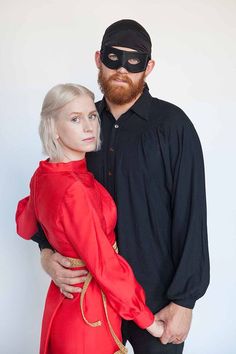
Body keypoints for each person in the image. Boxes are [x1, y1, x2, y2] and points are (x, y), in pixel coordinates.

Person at [33, 20, 210, 354]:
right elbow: (47, 194)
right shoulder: (81, 123)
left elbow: (192, 216)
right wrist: (45, 253)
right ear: (99, 59)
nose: (122, 69)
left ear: (149, 67)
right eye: (114, 58)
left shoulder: (173, 127)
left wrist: (185, 302)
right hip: (91, 301)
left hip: (158, 303)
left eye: (134, 61)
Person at [16, 83, 164, 354]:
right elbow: (105, 265)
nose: (88, 126)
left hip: (63, 303)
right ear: (54, 129)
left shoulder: (44, 174)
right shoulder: (75, 190)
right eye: (75, 119)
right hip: (89, 312)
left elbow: (25, 226)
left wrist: (50, 251)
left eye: (92, 116)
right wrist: (148, 320)